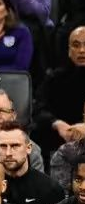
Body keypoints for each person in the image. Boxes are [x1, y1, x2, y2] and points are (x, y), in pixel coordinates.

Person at [32, 26, 85, 154]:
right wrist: (57, 123)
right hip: (59, 140)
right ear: (69, 51)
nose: (82, 50)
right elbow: (38, 108)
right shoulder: (54, 79)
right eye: (76, 45)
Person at [0, 121, 64, 204]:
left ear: (28, 148)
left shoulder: (50, 189)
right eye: (3, 146)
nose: (8, 153)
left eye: (15, 146)